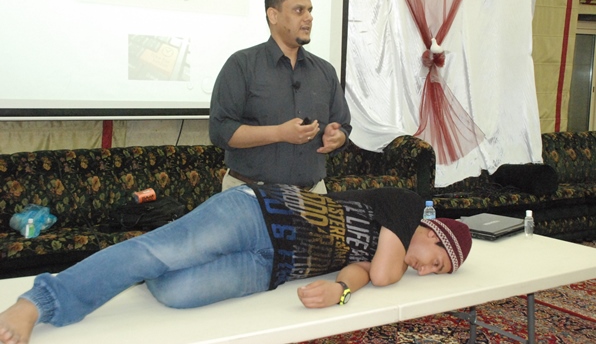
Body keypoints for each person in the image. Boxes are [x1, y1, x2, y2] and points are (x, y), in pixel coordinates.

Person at [0, 185, 471, 344]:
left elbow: (361, 272)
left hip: (271, 269)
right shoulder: (407, 205)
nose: (425, 271)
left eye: (436, 273)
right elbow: (384, 275)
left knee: (174, 291)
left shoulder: (387, 246)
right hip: (259, 213)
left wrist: (340, 291)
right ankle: (39, 302)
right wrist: (373, 274)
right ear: (433, 232)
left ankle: (142, 260)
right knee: (156, 253)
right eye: (436, 262)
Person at [209, 0, 352, 193]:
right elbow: (221, 131)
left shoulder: (325, 71)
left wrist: (337, 137)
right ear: (273, 15)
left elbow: (343, 126)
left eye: (310, 10)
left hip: (312, 194)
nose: (309, 18)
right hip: (250, 193)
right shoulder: (242, 65)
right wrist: (279, 133)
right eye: (299, 10)